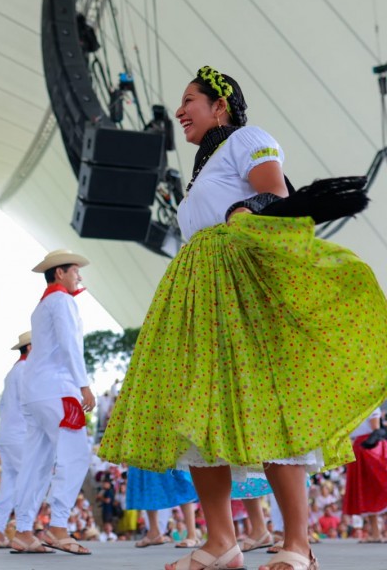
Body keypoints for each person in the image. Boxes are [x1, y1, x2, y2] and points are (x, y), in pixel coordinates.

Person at [99, 65, 387, 570]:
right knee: (199, 415)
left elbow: (275, 194)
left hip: (242, 292)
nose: (182, 110)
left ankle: (297, 543)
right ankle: (221, 542)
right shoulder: (201, 172)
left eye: (190, 99)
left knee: (267, 409)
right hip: (198, 296)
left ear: (220, 106)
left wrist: (244, 209)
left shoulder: (248, 139)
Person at [11, 249, 95, 555]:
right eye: (75, 271)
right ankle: (58, 525)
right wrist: (83, 385)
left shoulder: (43, 304)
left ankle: (23, 530)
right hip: (58, 389)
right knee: (76, 455)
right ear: (59, 272)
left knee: (36, 463)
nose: (79, 276)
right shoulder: (62, 300)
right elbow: (70, 344)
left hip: (35, 392)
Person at [0, 330, 31, 549]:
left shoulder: (14, 370)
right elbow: (29, 404)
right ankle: (24, 529)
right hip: (19, 436)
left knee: (9, 486)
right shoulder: (25, 370)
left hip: (6, 434)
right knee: (31, 482)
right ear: (31, 348)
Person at [342, 407, 387, 543]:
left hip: (366, 448)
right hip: (367, 448)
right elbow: (375, 428)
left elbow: (374, 429)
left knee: (370, 490)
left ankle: (376, 533)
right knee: (371, 490)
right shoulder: (370, 406)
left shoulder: (366, 406)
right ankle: (376, 533)